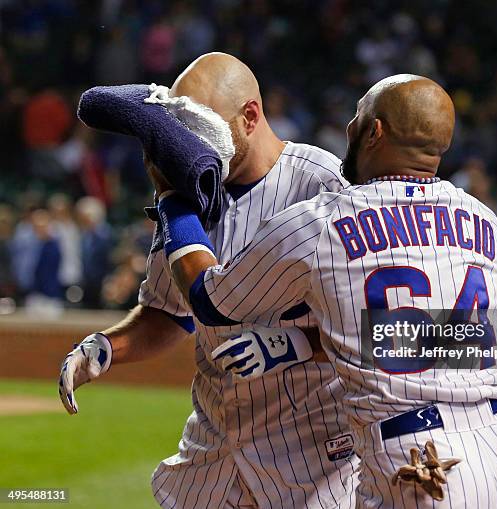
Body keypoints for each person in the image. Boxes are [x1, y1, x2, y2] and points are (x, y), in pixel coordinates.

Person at [148, 75, 497, 508]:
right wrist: (299, 342)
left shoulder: (321, 221)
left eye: (357, 118)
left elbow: (208, 299)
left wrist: (172, 201)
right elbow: (450, 337)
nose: (349, 129)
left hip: (425, 464)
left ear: (373, 131)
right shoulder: (483, 220)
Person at [59, 53, 358, 509]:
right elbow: (169, 311)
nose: (184, 142)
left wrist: (293, 343)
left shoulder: (325, 186)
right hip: (214, 447)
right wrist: (106, 348)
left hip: (311, 451)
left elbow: (375, 326)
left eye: (199, 124)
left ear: (250, 117)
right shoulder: (188, 194)